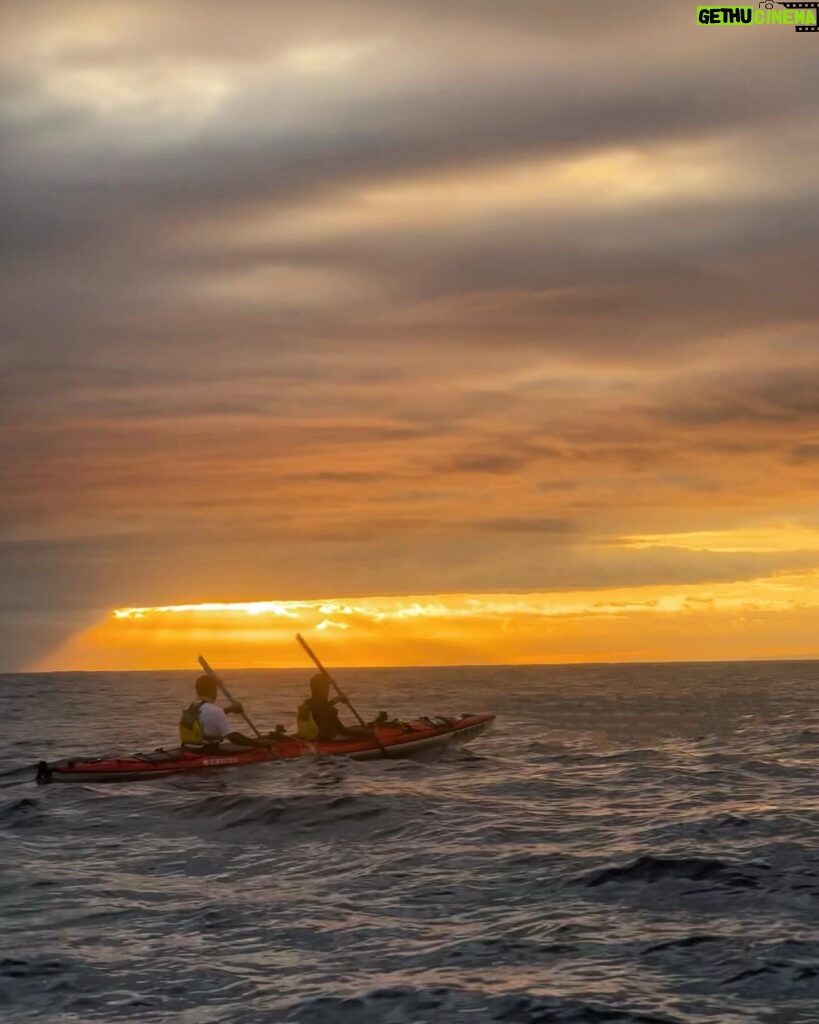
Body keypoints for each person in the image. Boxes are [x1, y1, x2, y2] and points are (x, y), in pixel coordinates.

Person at [179, 675, 273, 749]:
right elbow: (233, 738)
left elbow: (209, 716)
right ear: (212, 690)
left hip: (190, 748)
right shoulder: (215, 711)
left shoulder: (192, 707)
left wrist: (230, 709)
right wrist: (260, 744)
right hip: (210, 752)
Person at [296, 673, 372, 741]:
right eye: (327, 687)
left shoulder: (307, 703)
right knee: (364, 733)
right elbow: (343, 731)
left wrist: (336, 700)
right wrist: (367, 733)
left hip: (309, 739)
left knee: (358, 729)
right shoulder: (328, 710)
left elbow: (320, 708)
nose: (328, 690)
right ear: (323, 689)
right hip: (325, 741)